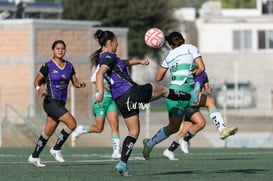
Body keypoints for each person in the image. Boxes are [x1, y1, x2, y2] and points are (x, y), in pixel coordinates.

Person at [93, 29, 199, 176]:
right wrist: (101, 92)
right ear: (110, 42)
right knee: (161, 90)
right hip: (130, 92)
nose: (117, 44)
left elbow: (124, 62)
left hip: (121, 100)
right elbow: (100, 74)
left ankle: (122, 164)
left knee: (134, 132)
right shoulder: (109, 56)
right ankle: (189, 96)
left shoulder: (105, 57)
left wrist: (140, 61)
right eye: (116, 41)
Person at [142, 31, 205, 161]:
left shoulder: (168, 55)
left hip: (174, 93)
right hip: (186, 92)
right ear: (183, 39)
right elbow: (202, 68)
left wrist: (170, 64)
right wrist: (191, 75)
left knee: (173, 128)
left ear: (170, 44)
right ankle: (153, 143)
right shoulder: (191, 48)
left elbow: (158, 77)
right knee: (208, 103)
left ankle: (151, 144)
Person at [28, 40, 86, 167]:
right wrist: (39, 89)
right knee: (72, 123)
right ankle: (56, 148)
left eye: (63, 48)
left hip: (60, 103)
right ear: (53, 50)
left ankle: (34, 156)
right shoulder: (47, 65)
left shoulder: (69, 66)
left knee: (48, 132)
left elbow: (75, 83)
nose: (60, 50)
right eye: (58, 48)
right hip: (50, 102)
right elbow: (36, 81)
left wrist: (80, 84)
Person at [163, 71, 238, 160]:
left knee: (184, 131)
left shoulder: (203, 74)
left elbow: (206, 87)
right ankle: (186, 140)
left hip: (196, 105)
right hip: (188, 104)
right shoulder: (187, 73)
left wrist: (208, 90)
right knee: (201, 122)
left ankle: (170, 150)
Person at [71, 60, 121, 159]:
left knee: (115, 126)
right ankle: (81, 129)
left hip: (111, 100)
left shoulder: (116, 66)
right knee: (99, 128)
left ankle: (116, 151)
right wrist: (103, 85)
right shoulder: (102, 66)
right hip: (101, 100)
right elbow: (93, 79)